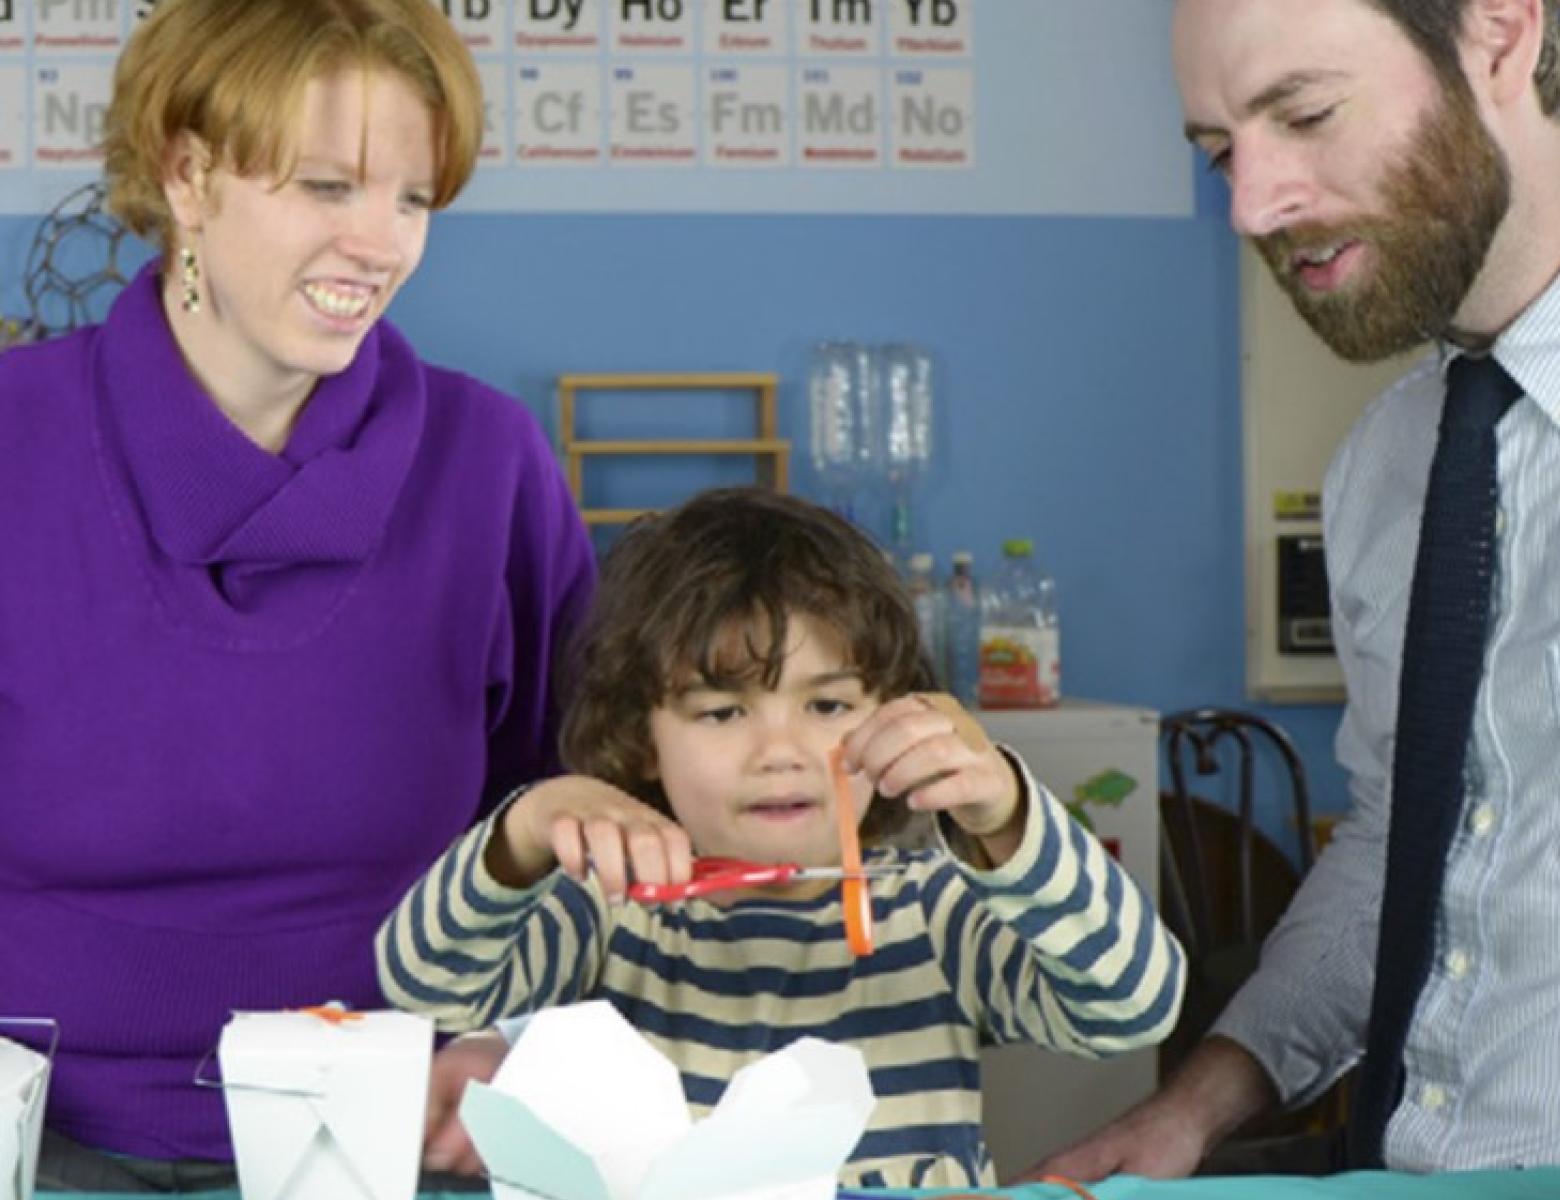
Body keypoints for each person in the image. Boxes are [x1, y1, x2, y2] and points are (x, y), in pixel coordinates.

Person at [1037, 0, 1560, 1194]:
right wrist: (1197, 1104)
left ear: (1498, 34)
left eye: (1305, 114)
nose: (1252, 205)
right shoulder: (1384, 469)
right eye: (1222, 151)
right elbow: (1407, 839)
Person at [0, 0, 595, 1189]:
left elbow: (584, 806)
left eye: (412, 200)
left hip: (401, 1132)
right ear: (188, 174)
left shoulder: (490, 464)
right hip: (38, 1132)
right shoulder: (16, 442)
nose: (379, 244)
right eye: (329, 187)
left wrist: (517, 1039)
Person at [377, 486, 1186, 1189]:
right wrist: (525, 830)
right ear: (640, 736)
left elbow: (1132, 1006)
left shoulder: (935, 907)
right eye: (723, 712)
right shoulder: (609, 910)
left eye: (828, 706)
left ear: (895, 716)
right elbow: (429, 987)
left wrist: (1005, 815)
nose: (782, 753)